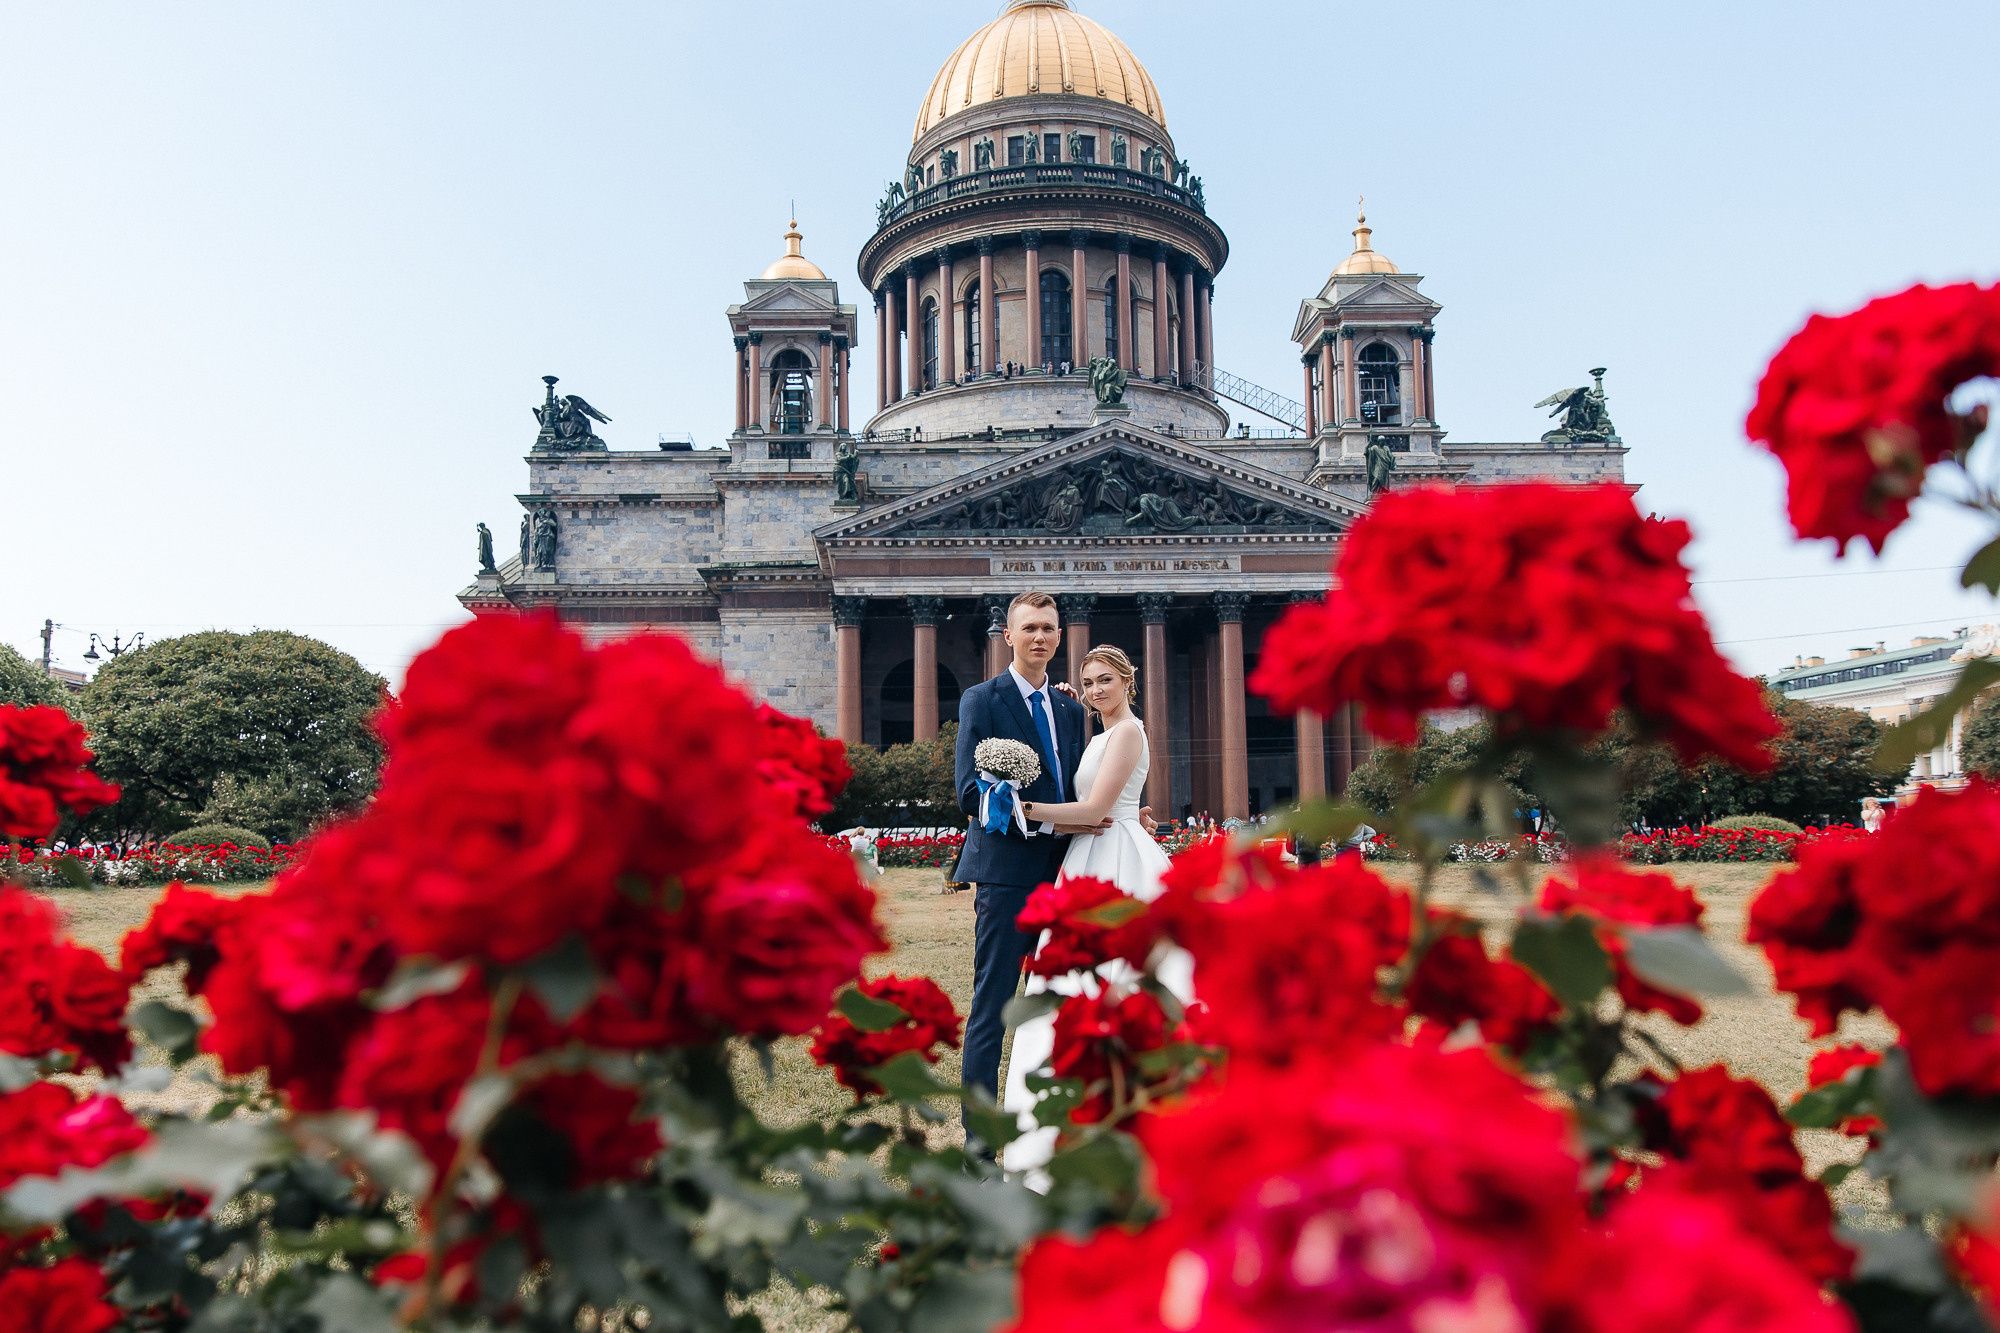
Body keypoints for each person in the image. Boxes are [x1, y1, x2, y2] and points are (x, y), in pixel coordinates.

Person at [1005, 645, 1188, 1177]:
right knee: (1070, 982)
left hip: (1117, 852)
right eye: (1087, 683)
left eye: (1105, 680)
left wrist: (1017, 806)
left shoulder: (1129, 732)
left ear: (1128, 682)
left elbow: (1094, 810)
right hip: (1087, 853)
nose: (1095, 690)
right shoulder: (1100, 736)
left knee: (1117, 973)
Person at [953, 592, 1094, 1146]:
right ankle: (980, 1141)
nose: (1040, 638)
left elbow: (1079, 785)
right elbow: (968, 789)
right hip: (1008, 873)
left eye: (1049, 629)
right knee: (994, 1003)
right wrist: (1019, 807)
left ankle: (1059, 1129)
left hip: (1066, 871)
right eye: (1029, 629)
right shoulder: (981, 700)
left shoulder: (1069, 710)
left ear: (1060, 637)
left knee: (1067, 999)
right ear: (1007, 637)